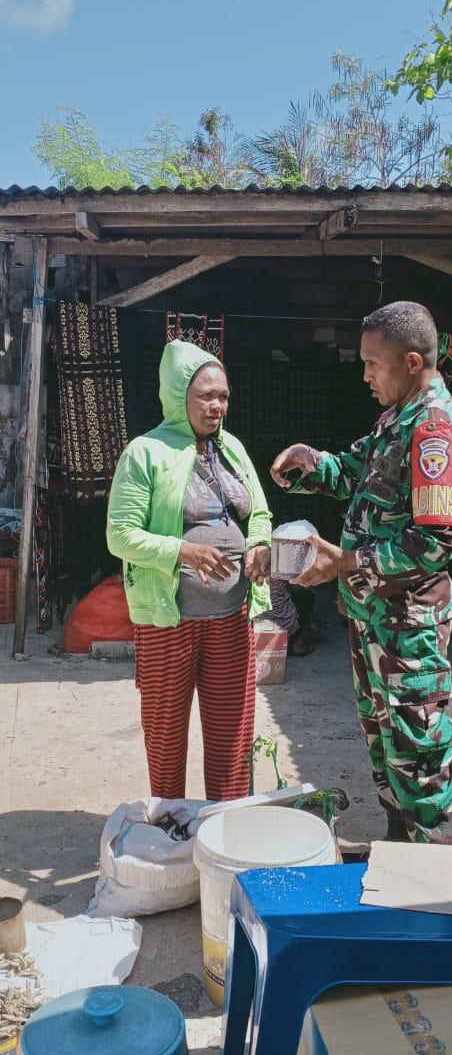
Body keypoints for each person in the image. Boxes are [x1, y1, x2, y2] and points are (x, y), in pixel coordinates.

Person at [271, 302, 452, 845]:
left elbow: (438, 541)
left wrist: (346, 562)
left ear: (411, 362)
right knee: (388, 749)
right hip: (373, 621)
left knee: (422, 757)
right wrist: (310, 461)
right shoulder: (397, 419)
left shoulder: (435, 432)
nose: (364, 374)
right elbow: (352, 474)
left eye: (372, 363)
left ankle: (437, 883)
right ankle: (400, 861)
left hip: (408, 628)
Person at [107, 340, 272, 801]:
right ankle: (169, 823)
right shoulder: (145, 453)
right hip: (169, 621)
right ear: (178, 396)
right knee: (166, 734)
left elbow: (259, 511)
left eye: (223, 396)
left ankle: (226, 828)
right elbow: (119, 535)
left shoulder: (233, 449)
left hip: (231, 617)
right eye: (206, 396)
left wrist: (258, 543)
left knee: (232, 735)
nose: (217, 406)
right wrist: (185, 552)